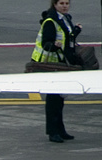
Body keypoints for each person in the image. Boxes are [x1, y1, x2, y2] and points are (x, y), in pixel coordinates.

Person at [32, 0, 82, 142]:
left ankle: (60, 129)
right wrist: (54, 45)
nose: (65, 6)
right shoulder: (50, 21)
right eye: (61, 3)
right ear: (55, 5)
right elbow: (46, 43)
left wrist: (76, 31)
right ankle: (53, 132)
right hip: (52, 64)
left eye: (67, 3)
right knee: (53, 99)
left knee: (59, 99)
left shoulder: (66, 18)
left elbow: (67, 38)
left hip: (61, 62)